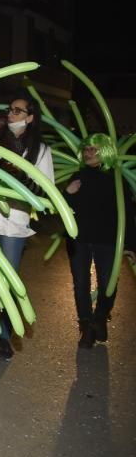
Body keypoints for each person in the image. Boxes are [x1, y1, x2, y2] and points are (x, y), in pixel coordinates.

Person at [0, 93, 53, 361]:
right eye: (9, 109)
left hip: (14, 223)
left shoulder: (41, 150)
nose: (11, 114)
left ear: (30, 117)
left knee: (7, 281)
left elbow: (44, 189)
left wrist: (18, 177)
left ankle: (4, 337)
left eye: (18, 111)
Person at [64, 133, 134, 347]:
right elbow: (62, 209)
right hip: (79, 239)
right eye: (86, 149)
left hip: (108, 240)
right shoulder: (78, 177)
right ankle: (86, 325)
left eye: (93, 149)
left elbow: (127, 213)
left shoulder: (117, 179)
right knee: (81, 283)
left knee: (108, 283)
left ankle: (100, 317)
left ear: (105, 151)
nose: (88, 153)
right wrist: (68, 192)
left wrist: (130, 244)